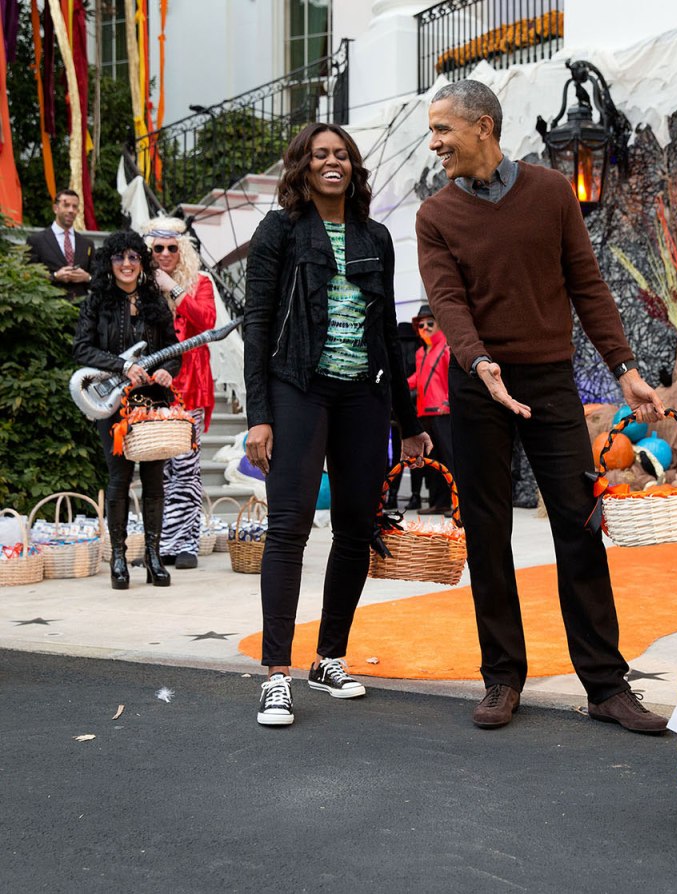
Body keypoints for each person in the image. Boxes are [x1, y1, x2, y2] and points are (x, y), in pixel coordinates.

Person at [415, 80, 669, 734]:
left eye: (444, 129)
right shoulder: (436, 215)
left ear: (485, 127)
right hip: (480, 386)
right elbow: (448, 303)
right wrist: (480, 362)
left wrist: (625, 370)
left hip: (551, 381)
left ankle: (607, 686)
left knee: (579, 525)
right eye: (432, 130)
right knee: (489, 532)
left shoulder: (553, 193)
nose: (435, 142)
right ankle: (502, 676)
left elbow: (588, 284)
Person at [243, 122, 431, 728]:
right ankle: (277, 674)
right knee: (289, 525)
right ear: (302, 166)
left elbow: (385, 335)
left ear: (353, 167)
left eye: (342, 154)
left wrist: (408, 422)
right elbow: (258, 324)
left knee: (355, 527)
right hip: (298, 388)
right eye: (321, 154)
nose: (333, 162)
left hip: (363, 396)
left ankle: (329, 656)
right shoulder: (278, 231)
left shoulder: (375, 236)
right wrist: (259, 417)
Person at [73, 231, 180, 590]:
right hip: (115, 405)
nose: (127, 264)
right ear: (110, 262)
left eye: (134, 257)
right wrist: (121, 367)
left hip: (152, 403)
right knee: (119, 480)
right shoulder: (97, 301)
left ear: (142, 263)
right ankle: (118, 558)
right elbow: (82, 349)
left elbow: (174, 350)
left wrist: (168, 369)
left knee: (154, 481)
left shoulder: (155, 301)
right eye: (120, 257)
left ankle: (152, 558)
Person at [141, 217, 217, 570]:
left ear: (182, 249)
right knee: (158, 468)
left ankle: (183, 542)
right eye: (158, 248)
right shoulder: (138, 287)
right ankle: (159, 544)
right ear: (149, 251)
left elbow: (206, 321)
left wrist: (172, 287)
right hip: (150, 387)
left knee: (185, 467)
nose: (166, 253)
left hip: (192, 384)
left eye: (173, 247)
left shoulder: (199, 282)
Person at [406, 304, 454, 514]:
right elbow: (420, 378)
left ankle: (457, 502)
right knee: (431, 462)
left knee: (450, 458)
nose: (425, 327)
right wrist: (400, 385)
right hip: (424, 412)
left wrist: (449, 402)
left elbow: (451, 379)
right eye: (421, 324)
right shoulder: (420, 352)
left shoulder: (446, 348)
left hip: (443, 412)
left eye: (430, 323)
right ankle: (439, 502)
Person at [26, 189, 94, 302]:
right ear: (55, 208)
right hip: (48, 308)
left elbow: (100, 279)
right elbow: (27, 277)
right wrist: (55, 276)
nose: (71, 210)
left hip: (82, 310)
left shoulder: (87, 244)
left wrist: (87, 277)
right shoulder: (36, 240)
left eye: (75, 206)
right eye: (66, 205)